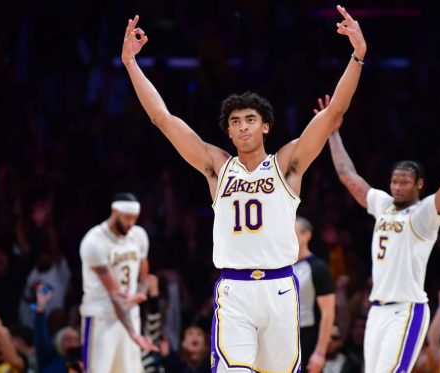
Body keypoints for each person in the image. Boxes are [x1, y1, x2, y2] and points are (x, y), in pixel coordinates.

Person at [121, 5, 366, 372]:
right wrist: (131, 64)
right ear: (229, 132)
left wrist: (357, 55)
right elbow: (163, 118)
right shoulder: (217, 167)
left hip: (281, 288)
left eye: (251, 120)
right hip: (235, 290)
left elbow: (333, 114)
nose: (243, 127)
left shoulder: (287, 162)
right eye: (235, 122)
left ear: (265, 126)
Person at [325, 94, 440, 372]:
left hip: (406, 310)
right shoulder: (383, 204)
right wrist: (333, 132)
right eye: (394, 181)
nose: (397, 187)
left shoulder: (424, 214)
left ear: (419, 184)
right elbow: (347, 175)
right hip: (376, 310)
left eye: (404, 182)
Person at [79, 192, 155, 373]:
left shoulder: (139, 236)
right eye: (127, 218)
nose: (131, 223)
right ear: (115, 211)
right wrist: (134, 334)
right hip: (101, 317)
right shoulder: (94, 241)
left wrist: (141, 293)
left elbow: (144, 277)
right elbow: (115, 296)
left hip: (130, 314)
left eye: (134, 218)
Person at [293, 216, 335, 373]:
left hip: (307, 337)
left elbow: (328, 313)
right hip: (281, 336)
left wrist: (320, 352)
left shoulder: (318, 268)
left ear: (306, 235)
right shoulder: (279, 267)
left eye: (294, 232)